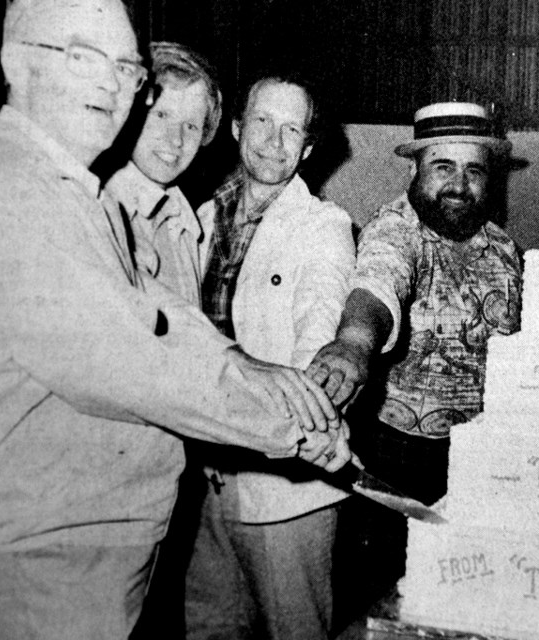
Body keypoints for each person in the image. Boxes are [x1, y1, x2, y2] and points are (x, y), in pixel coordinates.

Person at [0, 2, 348, 639]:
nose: (110, 85)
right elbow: (131, 365)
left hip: (82, 558)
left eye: (126, 68)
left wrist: (238, 362)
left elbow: (157, 311)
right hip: (37, 566)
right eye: (83, 58)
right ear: (15, 63)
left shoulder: (68, 193)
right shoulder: (8, 198)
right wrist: (297, 431)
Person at [183, 72, 356, 640]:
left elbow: (319, 337)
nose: (272, 141)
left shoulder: (323, 228)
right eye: (261, 122)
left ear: (308, 147)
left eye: (291, 129)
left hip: (287, 491)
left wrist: (309, 421)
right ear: (236, 128)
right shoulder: (200, 220)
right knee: (210, 628)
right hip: (206, 481)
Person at [308, 101, 523, 507]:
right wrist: (354, 342)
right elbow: (380, 276)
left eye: (473, 170)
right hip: (392, 457)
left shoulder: (505, 250)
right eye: (443, 167)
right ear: (414, 171)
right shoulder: (395, 228)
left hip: (480, 456)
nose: (459, 185)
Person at [106, 41, 222, 305]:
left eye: (191, 126)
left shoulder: (183, 217)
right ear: (133, 111)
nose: (176, 139)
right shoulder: (107, 207)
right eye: (161, 115)